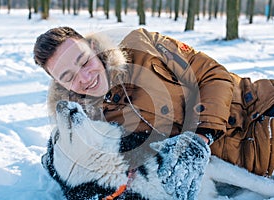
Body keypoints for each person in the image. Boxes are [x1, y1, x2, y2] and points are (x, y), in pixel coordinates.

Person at [33, 27, 274, 198]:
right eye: (68, 77)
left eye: (84, 62)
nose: (85, 78)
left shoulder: (141, 46)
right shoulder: (90, 129)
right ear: (59, 84)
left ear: (93, 47)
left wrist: (201, 136)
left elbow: (213, 75)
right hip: (248, 165)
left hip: (260, 109)